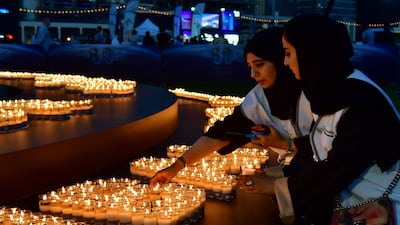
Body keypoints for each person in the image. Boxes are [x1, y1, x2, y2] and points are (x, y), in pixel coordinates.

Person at [239, 14, 400, 225]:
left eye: (288, 53)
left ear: (310, 54)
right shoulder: (329, 91)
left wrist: (277, 186)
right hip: (352, 206)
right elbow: (321, 144)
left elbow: (339, 167)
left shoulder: (360, 100)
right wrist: (281, 172)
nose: (285, 62)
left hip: (379, 209)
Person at [150, 27, 313, 188]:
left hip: (320, 179)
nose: (253, 74)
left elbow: (328, 146)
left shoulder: (314, 95)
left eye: (260, 64)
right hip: (293, 174)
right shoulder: (258, 99)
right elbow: (222, 133)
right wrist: (176, 167)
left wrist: (286, 145)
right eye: (250, 66)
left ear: (279, 60)